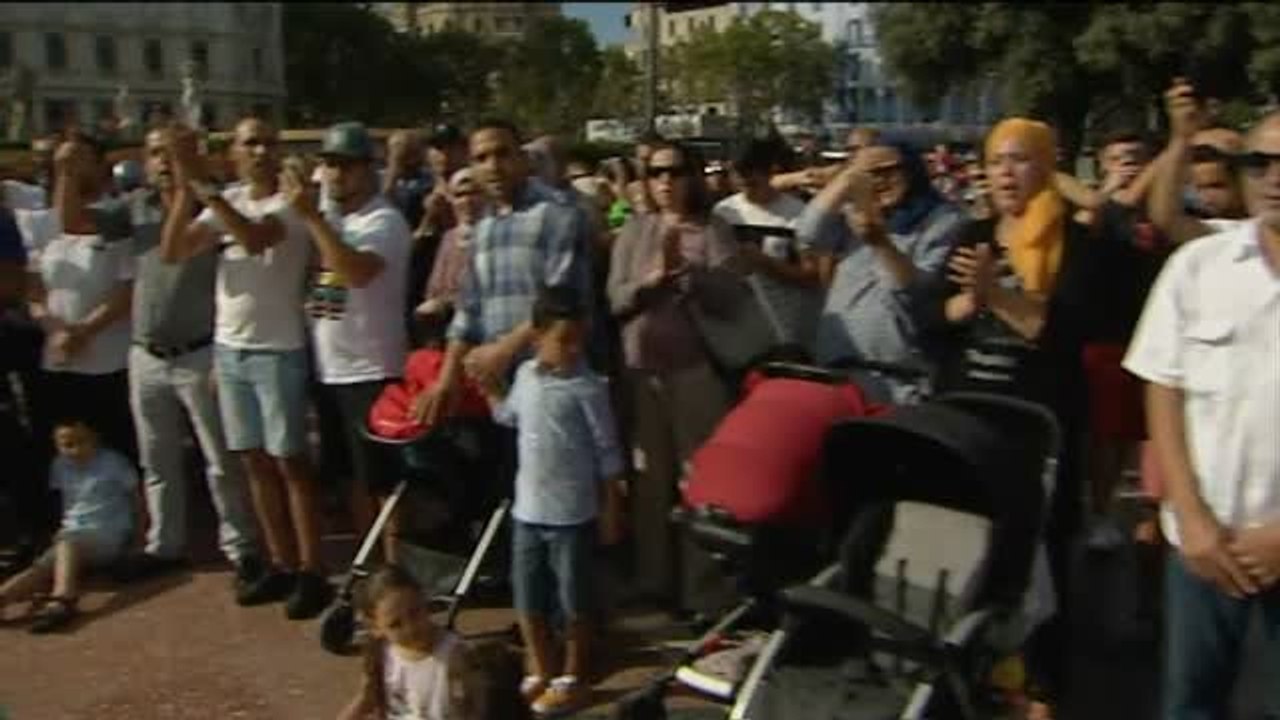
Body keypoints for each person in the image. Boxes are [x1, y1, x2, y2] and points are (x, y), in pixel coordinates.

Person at [933, 118, 1134, 716]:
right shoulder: (973, 234)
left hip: (1040, 433)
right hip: (968, 422)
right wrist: (967, 302)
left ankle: (1041, 688)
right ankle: (974, 678)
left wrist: (998, 297)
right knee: (971, 556)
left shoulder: (1081, 247)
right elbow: (934, 319)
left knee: (1038, 563)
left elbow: (1068, 332)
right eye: (995, 160)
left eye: (1019, 160)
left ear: (1048, 167)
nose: (1004, 173)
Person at [1123, 110, 1280, 720]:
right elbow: (1164, 387)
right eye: (1259, 163)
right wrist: (1191, 518)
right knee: (1191, 705)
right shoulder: (1198, 267)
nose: (1273, 177)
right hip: (1202, 547)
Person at [161, 118, 331, 620]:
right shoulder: (228, 199)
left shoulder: (290, 202)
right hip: (231, 348)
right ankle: (280, 562)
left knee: (290, 462)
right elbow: (174, 251)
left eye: (267, 142)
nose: (260, 151)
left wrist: (206, 188)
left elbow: (255, 238)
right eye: (249, 143)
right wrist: (184, 188)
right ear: (233, 151)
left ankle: (312, 569)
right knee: (253, 461)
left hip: (279, 348)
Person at [117, 127, 265, 596]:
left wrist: (190, 185)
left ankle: (241, 547)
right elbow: (73, 219)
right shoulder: (133, 208)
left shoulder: (216, 207)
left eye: (175, 153)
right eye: (157, 153)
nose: (165, 161)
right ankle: (165, 545)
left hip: (199, 352)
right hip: (145, 354)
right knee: (157, 459)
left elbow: (183, 247)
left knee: (220, 461)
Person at [607, 140, 741, 615]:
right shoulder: (634, 230)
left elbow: (732, 299)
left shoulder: (713, 230)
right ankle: (653, 580)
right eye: (656, 172)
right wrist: (648, 283)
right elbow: (614, 299)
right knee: (649, 482)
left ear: (693, 177)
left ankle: (703, 592)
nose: (666, 181)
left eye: (676, 171)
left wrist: (688, 275)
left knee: (698, 482)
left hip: (695, 372)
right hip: (642, 374)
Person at [479, 284, 625, 716]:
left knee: (574, 600)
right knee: (528, 596)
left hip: (572, 515)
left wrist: (611, 507)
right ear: (538, 336)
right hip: (528, 510)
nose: (573, 349)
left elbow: (608, 452)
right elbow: (509, 416)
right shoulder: (526, 376)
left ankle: (573, 675)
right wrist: (491, 389)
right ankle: (540, 666)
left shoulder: (589, 387)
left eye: (579, 339)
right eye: (564, 340)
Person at [412, 118, 592, 431]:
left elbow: (562, 300)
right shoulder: (484, 227)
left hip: (550, 384)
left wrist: (503, 350)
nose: (493, 166)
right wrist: (447, 380)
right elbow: (469, 311)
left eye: (502, 154)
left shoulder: (559, 214)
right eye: (481, 158)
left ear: (523, 159)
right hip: (496, 387)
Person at [289, 122, 412, 562]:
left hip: (373, 369)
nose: (336, 175)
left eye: (346, 166)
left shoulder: (384, 220)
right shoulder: (337, 222)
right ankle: (370, 567)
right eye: (330, 165)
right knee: (351, 479)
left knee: (382, 481)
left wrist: (312, 218)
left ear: (367, 170)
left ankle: (394, 567)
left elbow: (356, 271)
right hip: (334, 369)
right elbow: (330, 291)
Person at [798, 140, 966, 403]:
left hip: (899, 378)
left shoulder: (943, 220)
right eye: (870, 174)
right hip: (838, 368)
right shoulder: (854, 213)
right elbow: (808, 234)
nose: (879, 181)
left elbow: (915, 291)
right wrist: (847, 178)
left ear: (910, 170)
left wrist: (880, 243)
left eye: (888, 171)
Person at [25, 132, 138, 468]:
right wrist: (56, 330)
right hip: (58, 359)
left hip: (109, 361)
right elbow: (33, 290)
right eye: (62, 163)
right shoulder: (42, 224)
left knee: (119, 452)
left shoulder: (119, 215)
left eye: (77, 161)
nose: (69, 169)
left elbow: (127, 289)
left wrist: (84, 332)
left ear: (101, 165)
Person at [0, 418, 140, 634]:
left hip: (109, 533)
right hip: (75, 536)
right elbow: (67, 503)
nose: (75, 450)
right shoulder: (59, 465)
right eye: (67, 445)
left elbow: (137, 500)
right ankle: (3, 597)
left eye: (81, 442)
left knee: (68, 543)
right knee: (42, 566)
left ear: (96, 439)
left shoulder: (114, 463)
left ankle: (64, 598)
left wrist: (139, 539)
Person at [713, 139, 820, 352]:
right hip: (742, 325)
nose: (744, 180)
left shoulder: (798, 213)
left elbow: (812, 277)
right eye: (737, 173)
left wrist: (765, 262)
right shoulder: (723, 212)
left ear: (770, 170)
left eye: (751, 173)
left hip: (788, 325)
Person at [338, 565, 467, 720]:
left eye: (415, 613)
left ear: (424, 600)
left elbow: (472, 707)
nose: (410, 628)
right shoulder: (382, 654)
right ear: (376, 628)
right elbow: (366, 700)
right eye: (395, 624)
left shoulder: (452, 652)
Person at [414, 168, 483, 346]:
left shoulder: (490, 235)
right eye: (460, 195)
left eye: (474, 193)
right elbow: (434, 289)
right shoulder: (448, 238)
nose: (467, 200)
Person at [382, 129, 433, 231]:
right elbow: (382, 202)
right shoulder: (377, 179)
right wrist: (394, 170)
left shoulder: (427, 179)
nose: (409, 159)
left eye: (413, 152)